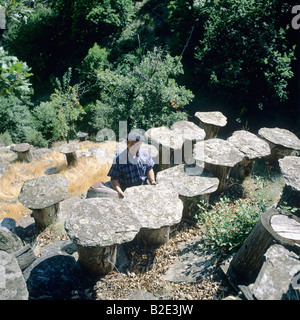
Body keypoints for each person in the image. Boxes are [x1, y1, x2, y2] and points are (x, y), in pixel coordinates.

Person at [107, 132, 157, 198]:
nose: (135, 147)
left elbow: (149, 169)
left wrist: (152, 181)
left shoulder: (144, 154)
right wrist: (119, 191)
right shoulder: (119, 159)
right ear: (127, 143)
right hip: (127, 190)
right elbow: (114, 178)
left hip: (143, 187)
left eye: (137, 145)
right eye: (132, 144)